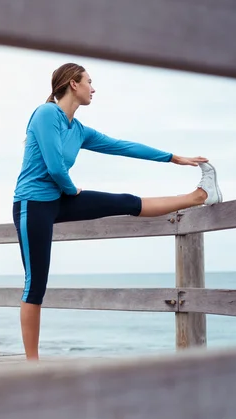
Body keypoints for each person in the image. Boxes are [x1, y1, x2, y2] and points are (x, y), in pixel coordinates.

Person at [12, 62, 222, 360]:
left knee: (124, 201)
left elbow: (122, 146)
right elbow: (55, 166)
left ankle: (200, 195)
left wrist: (173, 158)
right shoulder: (46, 114)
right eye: (89, 81)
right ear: (73, 84)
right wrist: (73, 191)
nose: (93, 88)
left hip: (59, 197)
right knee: (36, 283)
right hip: (32, 205)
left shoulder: (79, 130)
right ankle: (32, 365)